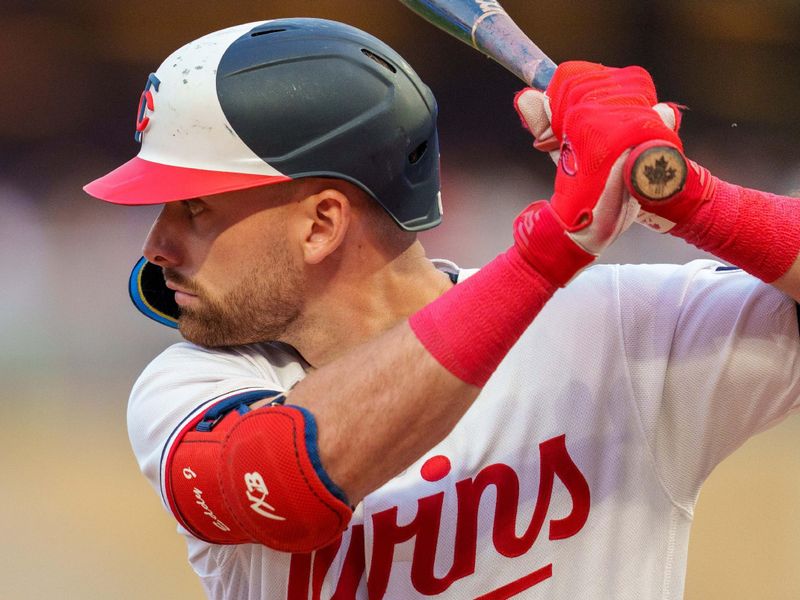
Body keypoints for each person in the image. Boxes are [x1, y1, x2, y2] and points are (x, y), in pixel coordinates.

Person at [84, 18, 800, 600]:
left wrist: (694, 200)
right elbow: (282, 483)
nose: (157, 244)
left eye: (194, 209)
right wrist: (549, 252)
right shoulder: (193, 386)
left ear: (321, 224)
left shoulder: (616, 331)